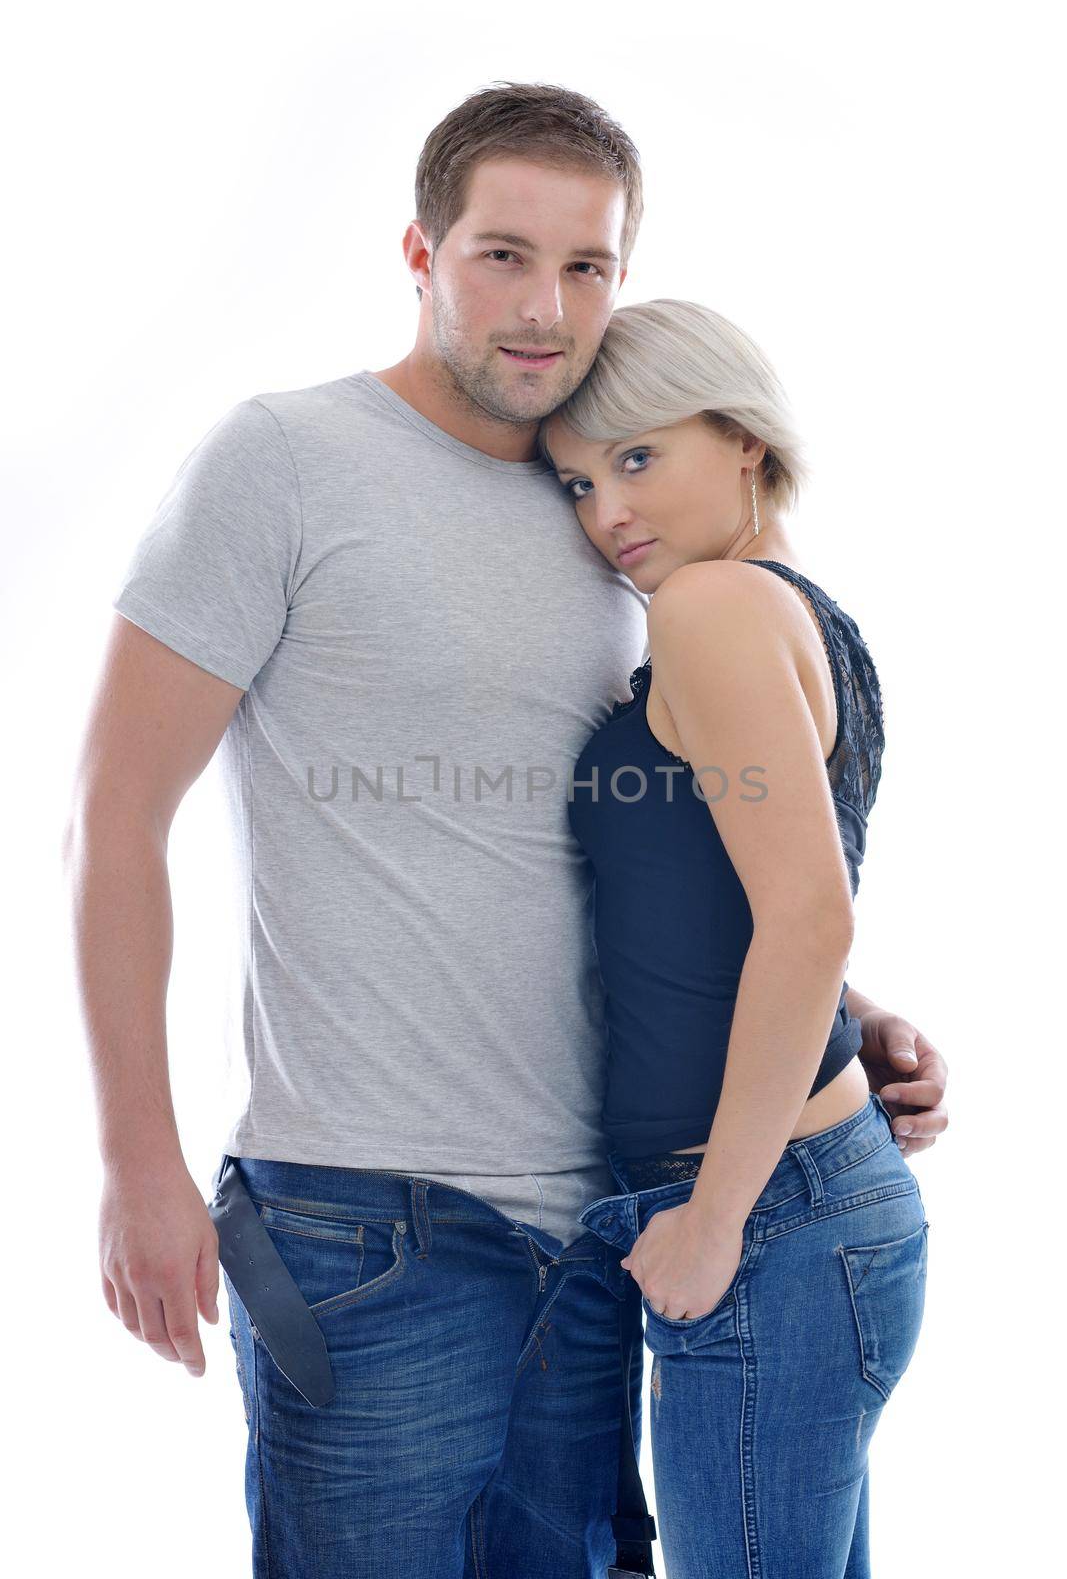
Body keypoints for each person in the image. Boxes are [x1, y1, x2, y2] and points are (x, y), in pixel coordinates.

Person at [62, 83, 948, 1579]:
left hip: (605, 1233)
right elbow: (112, 816)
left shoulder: (608, 520)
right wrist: (135, 1160)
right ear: (418, 252)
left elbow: (625, 844)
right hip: (367, 1221)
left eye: (587, 265)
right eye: (499, 254)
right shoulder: (282, 461)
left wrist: (842, 1019)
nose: (544, 307)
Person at [540, 297, 933, 1576]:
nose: (608, 512)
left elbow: (807, 914)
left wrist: (711, 1220)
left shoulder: (708, 608)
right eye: (579, 483)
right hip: (812, 1203)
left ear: (745, 441)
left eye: (638, 457)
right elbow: (745, 900)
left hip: (764, 1220)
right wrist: (863, 1021)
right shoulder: (785, 610)